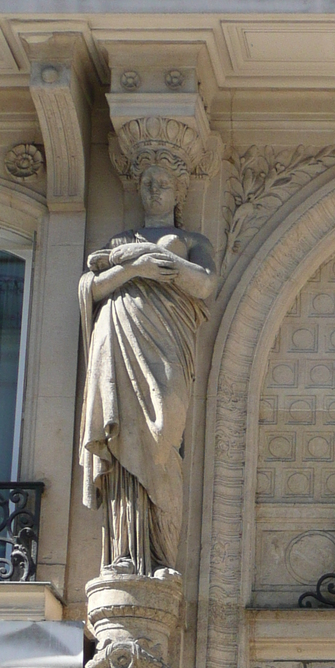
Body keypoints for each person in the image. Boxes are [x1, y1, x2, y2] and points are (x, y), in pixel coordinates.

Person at [79, 158, 217, 576]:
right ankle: (125, 555)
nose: (154, 189)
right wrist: (134, 267)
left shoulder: (192, 238)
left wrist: (156, 259)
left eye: (163, 183)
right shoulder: (119, 239)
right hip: (120, 339)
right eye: (147, 182)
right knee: (124, 442)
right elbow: (92, 286)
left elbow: (207, 283)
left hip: (169, 347)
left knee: (162, 443)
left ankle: (160, 553)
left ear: (179, 193)